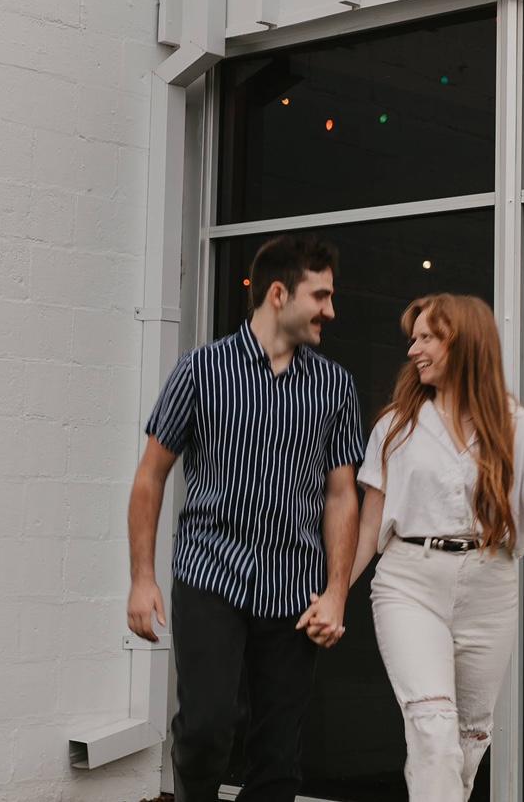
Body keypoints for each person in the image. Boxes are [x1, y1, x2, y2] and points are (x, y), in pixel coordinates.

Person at [302, 293, 524, 801]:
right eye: (414, 339)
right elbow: (368, 528)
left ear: (462, 343)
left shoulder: (519, 428)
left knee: (468, 740)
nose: (413, 350)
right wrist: (335, 595)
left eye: (426, 338)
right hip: (410, 584)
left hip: (490, 590)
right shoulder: (396, 426)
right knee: (433, 730)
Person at [126, 234, 363, 802]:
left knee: (278, 755)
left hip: (294, 588)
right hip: (212, 573)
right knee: (206, 729)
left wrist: (336, 593)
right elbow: (151, 475)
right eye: (321, 296)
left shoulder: (335, 386)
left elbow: (341, 496)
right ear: (279, 294)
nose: (331, 311)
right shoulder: (201, 371)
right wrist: (142, 578)